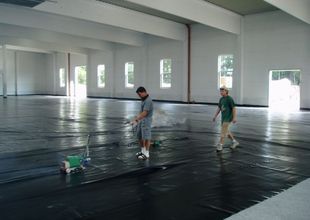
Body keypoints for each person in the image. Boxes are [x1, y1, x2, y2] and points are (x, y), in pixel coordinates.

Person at [213, 86, 239, 151]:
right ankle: (234, 141)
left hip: (228, 117)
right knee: (226, 131)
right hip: (223, 118)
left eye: (222, 91)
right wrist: (215, 116)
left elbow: (234, 108)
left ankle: (220, 145)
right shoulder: (221, 99)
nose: (221, 92)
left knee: (223, 131)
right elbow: (219, 108)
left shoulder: (229, 99)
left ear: (226, 91)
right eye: (220, 91)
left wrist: (234, 117)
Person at [131, 86, 153, 160]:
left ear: (144, 92)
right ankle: (143, 151)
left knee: (146, 137)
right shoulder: (143, 100)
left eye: (140, 94)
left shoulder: (148, 101)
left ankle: (146, 153)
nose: (139, 96)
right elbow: (141, 112)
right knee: (139, 136)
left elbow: (145, 113)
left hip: (146, 121)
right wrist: (135, 118)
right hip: (141, 121)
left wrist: (136, 120)